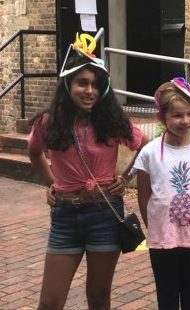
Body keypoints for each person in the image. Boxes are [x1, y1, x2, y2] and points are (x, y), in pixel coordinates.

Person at [27, 33, 148, 309]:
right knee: (49, 302)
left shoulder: (113, 120)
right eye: (82, 83)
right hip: (65, 217)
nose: (90, 90)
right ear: (68, 83)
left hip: (105, 215)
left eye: (96, 84)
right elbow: (34, 152)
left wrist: (126, 177)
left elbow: (146, 147)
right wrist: (52, 182)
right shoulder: (48, 121)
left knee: (98, 297)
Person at [133, 77, 190, 310]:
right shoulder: (150, 153)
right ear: (162, 118)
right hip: (162, 238)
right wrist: (153, 226)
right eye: (177, 115)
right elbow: (144, 195)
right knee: (167, 297)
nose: (185, 121)